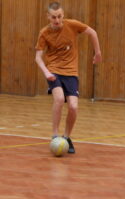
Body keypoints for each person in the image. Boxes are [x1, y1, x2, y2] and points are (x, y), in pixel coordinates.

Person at [35, 2, 101, 153]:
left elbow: (92, 33)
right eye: (53, 17)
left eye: (59, 17)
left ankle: (66, 137)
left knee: (73, 106)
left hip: (71, 72)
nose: (56, 20)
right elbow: (38, 57)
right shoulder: (44, 33)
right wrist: (46, 72)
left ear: (63, 15)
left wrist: (97, 53)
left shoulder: (72, 25)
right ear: (48, 17)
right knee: (58, 99)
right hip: (54, 71)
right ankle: (54, 135)